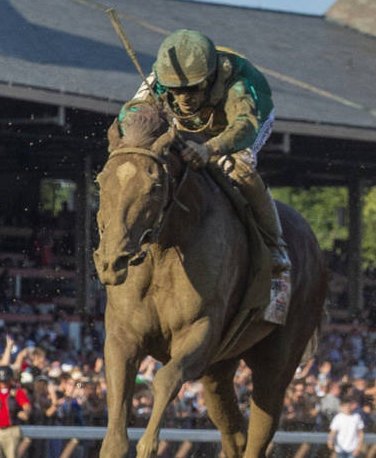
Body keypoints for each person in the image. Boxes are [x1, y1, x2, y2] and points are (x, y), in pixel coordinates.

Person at [121, 29, 289, 283]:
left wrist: (209, 149)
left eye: (193, 88)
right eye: (176, 90)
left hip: (245, 121)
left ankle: (274, 244)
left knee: (239, 168)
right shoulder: (157, 79)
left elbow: (244, 125)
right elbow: (129, 117)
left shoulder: (237, 82)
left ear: (210, 78)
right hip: (190, 124)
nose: (184, 98)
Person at [327, 392, 365, 458]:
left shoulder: (356, 417)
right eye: (345, 406)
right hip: (341, 449)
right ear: (341, 407)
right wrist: (330, 441)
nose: (347, 408)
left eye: (348, 406)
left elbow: (361, 433)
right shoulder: (338, 418)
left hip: (352, 448)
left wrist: (358, 447)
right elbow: (333, 432)